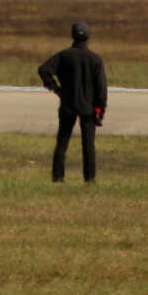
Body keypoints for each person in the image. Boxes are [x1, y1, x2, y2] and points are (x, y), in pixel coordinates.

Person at [38, 21, 108, 183]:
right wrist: (100, 109)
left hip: (67, 105)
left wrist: (56, 88)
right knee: (88, 145)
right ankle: (89, 178)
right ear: (88, 37)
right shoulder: (95, 59)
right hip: (89, 108)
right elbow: (101, 88)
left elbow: (43, 70)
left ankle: (58, 177)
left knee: (62, 142)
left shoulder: (64, 56)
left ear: (72, 35)